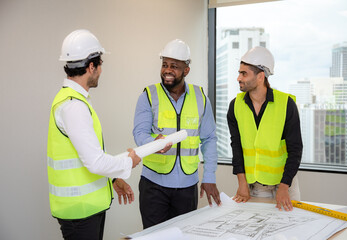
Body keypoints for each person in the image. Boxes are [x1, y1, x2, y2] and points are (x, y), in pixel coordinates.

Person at [47, 29, 141, 240]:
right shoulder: (74, 107)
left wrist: (115, 178)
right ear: (91, 67)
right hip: (80, 212)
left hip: (85, 210)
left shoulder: (72, 100)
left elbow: (86, 158)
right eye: (100, 65)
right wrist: (129, 161)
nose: (101, 71)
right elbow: (95, 162)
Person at [133, 39, 221, 229]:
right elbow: (139, 133)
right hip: (154, 185)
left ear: (186, 70)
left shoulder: (200, 98)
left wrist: (209, 177)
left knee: (183, 236)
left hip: (187, 187)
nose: (167, 70)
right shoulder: (149, 95)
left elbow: (209, 139)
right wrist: (152, 142)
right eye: (164, 64)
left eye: (174, 66)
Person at [227, 46, 303, 211]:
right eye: (239, 73)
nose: (238, 78)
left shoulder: (286, 105)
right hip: (256, 185)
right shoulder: (235, 106)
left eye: (244, 73)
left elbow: (296, 149)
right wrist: (242, 183)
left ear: (260, 76)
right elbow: (236, 147)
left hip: (285, 182)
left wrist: (284, 187)